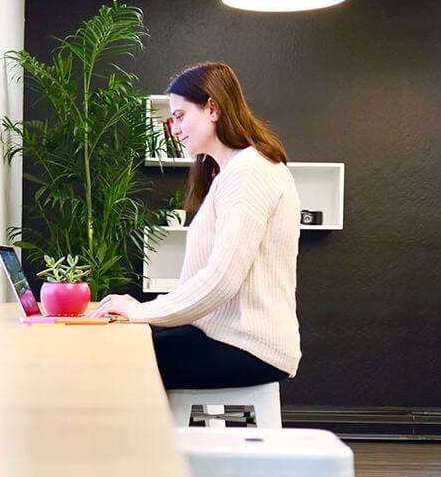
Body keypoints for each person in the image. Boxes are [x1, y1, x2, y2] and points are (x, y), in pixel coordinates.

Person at [90, 62, 301, 390]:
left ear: (212, 108)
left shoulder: (249, 172)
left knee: (120, 356)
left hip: (249, 346)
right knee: (121, 342)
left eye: (180, 115)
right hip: (225, 335)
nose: (174, 129)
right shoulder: (228, 172)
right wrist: (144, 312)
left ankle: (139, 443)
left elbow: (222, 280)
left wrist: (143, 311)